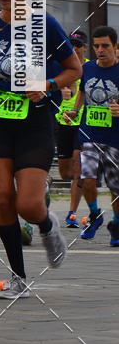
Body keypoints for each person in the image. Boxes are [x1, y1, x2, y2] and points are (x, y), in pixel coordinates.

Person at [0, 0, 81, 298]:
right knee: (2, 198)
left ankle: (46, 224)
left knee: (28, 205)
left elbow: (73, 69)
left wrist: (48, 83)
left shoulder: (45, 25)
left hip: (34, 123)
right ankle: (19, 277)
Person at [63, 26, 119, 246]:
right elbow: (83, 93)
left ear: (115, 46)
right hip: (89, 133)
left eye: (105, 46)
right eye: (96, 46)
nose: (100, 50)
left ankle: (116, 224)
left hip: (115, 137)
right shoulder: (87, 68)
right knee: (86, 179)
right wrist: (75, 111)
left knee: (115, 186)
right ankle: (95, 215)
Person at [53, 29, 88, 228]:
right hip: (63, 122)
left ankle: (71, 214)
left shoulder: (90, 67)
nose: (74, 48)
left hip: (83, 123)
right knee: (65, 172)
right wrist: (60, 91)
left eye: (78, 45)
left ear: (84, 47)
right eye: (71, 45)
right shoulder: (60, 67)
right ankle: (45, 186)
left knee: (78, 167)